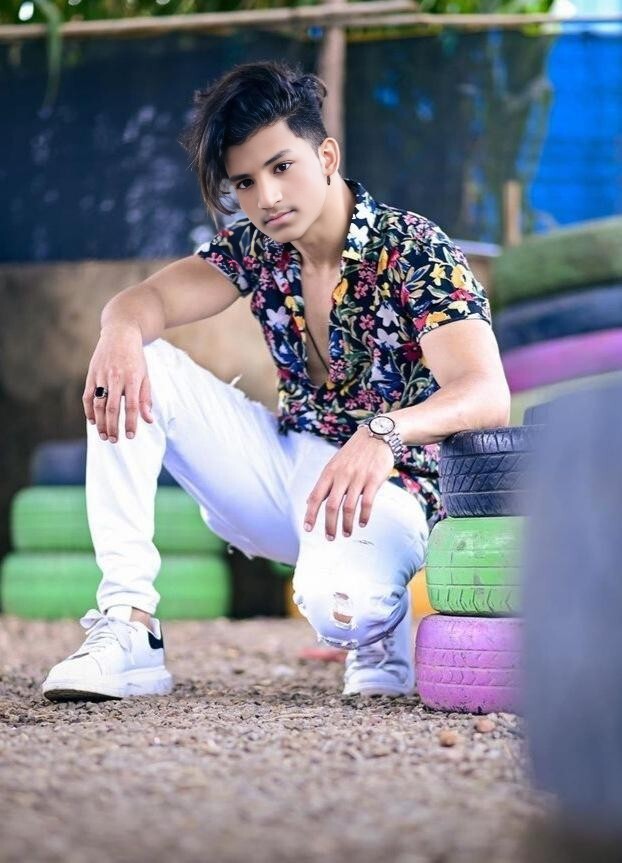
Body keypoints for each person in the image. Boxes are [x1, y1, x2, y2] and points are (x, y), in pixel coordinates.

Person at [41, 60, 510, 702]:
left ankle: (378, 623)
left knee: (342, 609)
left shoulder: (413, 249)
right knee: (135, 363)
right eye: (245, 182)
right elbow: (145, 301)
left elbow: (486, 394)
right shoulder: (257, 248)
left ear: (326, 156)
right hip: (284, 470)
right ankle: (129, 624)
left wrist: (384, 433)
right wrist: (118, 331)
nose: (266, 197)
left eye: (281, 167)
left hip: (388, 489)